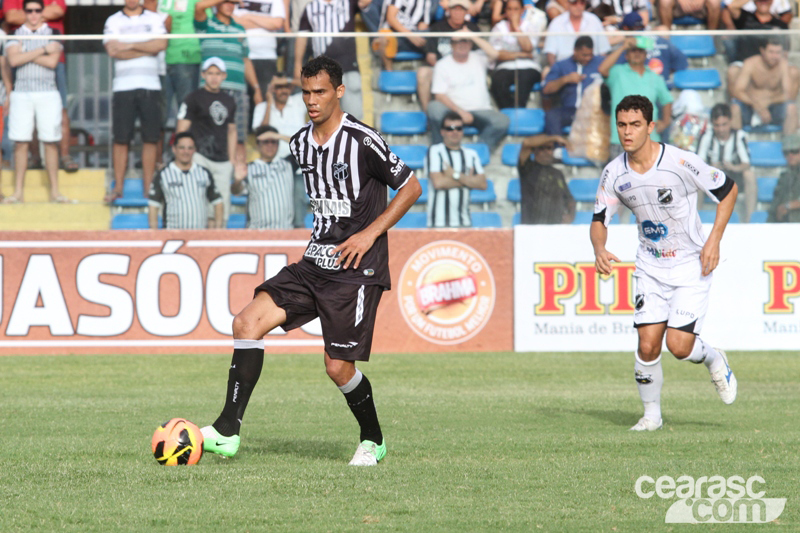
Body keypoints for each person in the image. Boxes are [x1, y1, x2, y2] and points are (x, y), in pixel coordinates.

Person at [200, 55, 422, 466]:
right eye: (306, 92)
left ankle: (372, 440)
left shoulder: (363, 140)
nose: (312, 100)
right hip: (314, 262)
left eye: (320, 91)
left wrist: (369, 233)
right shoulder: (299, 142)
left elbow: (411, 187)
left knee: (337, 367)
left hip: (357, 269)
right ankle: (228, 430)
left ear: (339, 91)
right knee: (246, 322)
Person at [591, 95, 738, 432]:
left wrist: (714, 240)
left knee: (679, 346)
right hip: (650, 266)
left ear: (651, 126)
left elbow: (728, 191)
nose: (627, 132)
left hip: (690, 263)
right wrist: (599, 247)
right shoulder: (613, 173)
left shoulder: (680, 162)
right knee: (647, 345)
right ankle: (651, 417)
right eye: (621, 125)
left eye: (635, 125)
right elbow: (599, 218)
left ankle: (715, 358)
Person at [4, 0, 70, 204]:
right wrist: (43, 49)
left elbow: (52, 62)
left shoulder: (54, 33)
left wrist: (25, 54)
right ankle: (18, 192)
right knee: (20, 142)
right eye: (29, 11)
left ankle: (55, 192)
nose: (33, 14)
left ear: (43, 12)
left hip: (47, 92)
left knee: (50, 141)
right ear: (24, 12)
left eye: (37, 10)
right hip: (21, 93)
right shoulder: (14, 34)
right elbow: (13, 61)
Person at [103, 0, 168, 203]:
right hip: (123, 87)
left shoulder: (154, 18)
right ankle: (118, 188)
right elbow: (113, 51)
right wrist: (146, 47)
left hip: (151, 85)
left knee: (151, 138)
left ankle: (148, 188)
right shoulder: (112, 20)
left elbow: (160, 45)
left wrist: (129, 45)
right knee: (121, 139)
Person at [195, 0, 262, 165]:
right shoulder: (207, 25)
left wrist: (256, 88)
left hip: (238, 90)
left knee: (240, 137)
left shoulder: (239, 29)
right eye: (226, 2)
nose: (230, 5)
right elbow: (199, 7)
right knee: (209, 135)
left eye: (233, 2)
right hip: (212, 91)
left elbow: (246, 60)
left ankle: (237, 176)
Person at [176, 57, 238, 227]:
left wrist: (232, 159)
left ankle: (217, 240)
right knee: (199, 205)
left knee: (221, 210)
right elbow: (182, 129)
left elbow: (232, 130)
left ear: (224, 76)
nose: (214, 77)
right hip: (200, 158)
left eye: (217, 73)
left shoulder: (229, 100)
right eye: (210, 73)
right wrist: (185, 155)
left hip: (223, 160)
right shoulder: (193, 98)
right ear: (203, 75)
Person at [427, 33, 510, 149]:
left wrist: (472, 35)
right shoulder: (442, 64)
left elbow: (495, 54)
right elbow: (439, 95)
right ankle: (439, 150)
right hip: (453, 111)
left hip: (481, 110)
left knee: (502, 121)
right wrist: (460, 112)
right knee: (434, 107)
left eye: (466, 41)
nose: (462, 44)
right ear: (451, 45)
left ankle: (477, 153)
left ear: (471, 43)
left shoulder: (479, 58)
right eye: (458, 41)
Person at [599, 36, 673, 160]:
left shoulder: (654, 77)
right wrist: (623, 46)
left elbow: (667, 100)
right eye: (633, 50)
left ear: (645, 55)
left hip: (650, 139)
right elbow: (602, 69)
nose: (637, 54)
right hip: (622, 139)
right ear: (626, 55)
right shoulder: (617, 72)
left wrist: (665, 121)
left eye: (640, 51)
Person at [293, 0, 370, 118]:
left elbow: (365, 2)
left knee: (352, 115)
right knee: (324, 116)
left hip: (348, 67)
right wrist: (297, 63)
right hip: (322, 72)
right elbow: (302, 37)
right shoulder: (311, 7)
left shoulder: (348, 2)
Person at [251, 76, 308, 227]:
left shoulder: (297, 102)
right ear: (272, 89)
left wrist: (289, 80)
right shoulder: (262, 107)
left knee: (298, 209)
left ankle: (298, 238)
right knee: (267, 207)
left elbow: (312, 87)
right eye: (278, 87)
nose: (283, 90)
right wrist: (269, 102)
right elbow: (261, 133)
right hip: (270, 166)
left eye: (286, 87)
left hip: (295, 165)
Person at [148, 131, 224, 229]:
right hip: (172, 233)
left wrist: (218, 230)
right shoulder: (163, 174)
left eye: (190, 148)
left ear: (195, 150)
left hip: (199, 233)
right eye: (182, 148)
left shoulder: (204, 173)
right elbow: (153, 206)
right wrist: (154, 233)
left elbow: (218, 202)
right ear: (174, 149)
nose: (186, 152)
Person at [696, 103, 757, 222]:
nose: (721, 129)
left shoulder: (739, 136)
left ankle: (750, 220)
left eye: (724, 124)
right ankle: (696, 220)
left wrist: (733, 167)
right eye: (717, 125)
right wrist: (711, 167)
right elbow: (698, 163)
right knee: (696, 178)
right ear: (712, 124)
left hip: (733, 179)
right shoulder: (706, 136)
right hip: (712, 179)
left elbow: (746, 163)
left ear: (730, 122)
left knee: (749, 175)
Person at [426, 112, 487, 227]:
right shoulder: (435, 151)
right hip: (438, 223)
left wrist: (454, 175)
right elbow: (438, 183)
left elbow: (482, 184)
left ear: (463, 131)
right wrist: (469, 180)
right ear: (442, 132)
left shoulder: (471, 155)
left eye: (459, 128)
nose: (455, 132)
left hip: (465, 222)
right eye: (450, 128)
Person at [157, 0, 202, 149]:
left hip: (187, 59)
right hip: (160, 62)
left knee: (186, 112)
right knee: (159, 116)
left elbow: (203, 16)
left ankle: (183, 154)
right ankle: (158, 158)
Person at [729, 38, 798, 136]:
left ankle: (789, 144)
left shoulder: (783, 65)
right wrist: (757, 105)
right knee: (735, 107)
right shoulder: (751, 63)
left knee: (791, 108)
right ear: (762, 51)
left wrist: (769, 101)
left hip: (774, 107)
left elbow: (789, 94)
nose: (774, 56)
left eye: (778, 52)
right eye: (771, 52)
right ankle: (736, 143)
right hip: (751, 106)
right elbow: (738, 91)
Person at [422, 0, 481, 111]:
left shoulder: (473, 29)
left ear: (466, 12)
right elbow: (430, 56)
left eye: (461, 10)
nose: (458, 13)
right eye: (455, 9)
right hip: (440, 69)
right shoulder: (437, 28)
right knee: (423, 72)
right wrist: (445, 70)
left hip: (466, 69)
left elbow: (478, 56)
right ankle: (427, 113)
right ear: (449, 11)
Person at [232, 125, 295, 228]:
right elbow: (235, 191)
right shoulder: (248, 168)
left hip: (285, 230)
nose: (270, 145)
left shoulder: (288, 164)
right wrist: (237, 181)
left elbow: (308, 148)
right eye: (266, 142)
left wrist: (279, 136)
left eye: (273, 141)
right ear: (257, 145)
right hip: (257, 231)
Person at [489, 0, 547, 109]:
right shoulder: (498, 28)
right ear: (505, 11)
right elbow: (498, 54)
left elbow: (528, 48)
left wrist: (516, 27)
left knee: (524, 82)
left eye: (516, 9)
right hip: (504, 67)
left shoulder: (529, 26)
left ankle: (518, 112)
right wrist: (522, 55)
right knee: (497, 83)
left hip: (529, 67)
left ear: (522, 10)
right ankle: (509, 112)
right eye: (509, 9)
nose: (512, 12)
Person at [542, 36, 604, 135]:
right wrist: (566, 79)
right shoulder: (561, 65)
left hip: (594, 110)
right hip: (571, 110)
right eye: (584, 55)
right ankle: (558, 144)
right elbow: (546, 90)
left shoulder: (601, 63)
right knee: (552, 115)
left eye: (590, 55)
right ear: (575, 51)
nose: (588, 58)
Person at [614, 12, 688, 84]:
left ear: (625, 28)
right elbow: (682, 61)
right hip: (664, 85)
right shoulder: (661, 40)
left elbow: (613, 69)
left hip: (641, 87)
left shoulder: (629, 45)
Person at [518, 134, 576, 223]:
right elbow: (526, 143)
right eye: (542, 148)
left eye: (549, 148)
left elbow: (570, 200)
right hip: (531, 227)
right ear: (534, 151)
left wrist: (570, 217)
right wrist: (555, 138)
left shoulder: (558, 174)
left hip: (554, 228)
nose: (546, 152)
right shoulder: (528, 168)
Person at [233, 0, 286, 92]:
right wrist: (266, 23)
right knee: (241, 97)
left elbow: (277, 23)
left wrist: (248, 16)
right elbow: (233, 22)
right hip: (239, 56)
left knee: (266, 96)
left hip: (266, 56)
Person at [543, 0, 610, 66]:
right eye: (574, 3)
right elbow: (550, 52)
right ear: (568, 3)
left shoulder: (594, 20)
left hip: (591, 66)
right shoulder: (556, 22)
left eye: (582, 3)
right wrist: (556, 70)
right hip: (564, 67)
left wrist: (600, 69)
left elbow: (603, 50)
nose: (578, 6)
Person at [375, 0, 431, 71]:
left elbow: (423, 24)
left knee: (432, 36)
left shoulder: (426, 1)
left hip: (414, 35)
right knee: (384, 38)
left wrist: (419, 37)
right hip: (395, 33)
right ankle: (389, 71)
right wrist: (409, 35)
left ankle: (433, 70)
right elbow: (391, 18)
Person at [767, 132, 800, 222]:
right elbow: (775, 208)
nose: (790, 156)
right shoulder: (784, 177)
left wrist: (788, 206)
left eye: (794, 151)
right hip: (785, 225)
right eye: (786, 153)